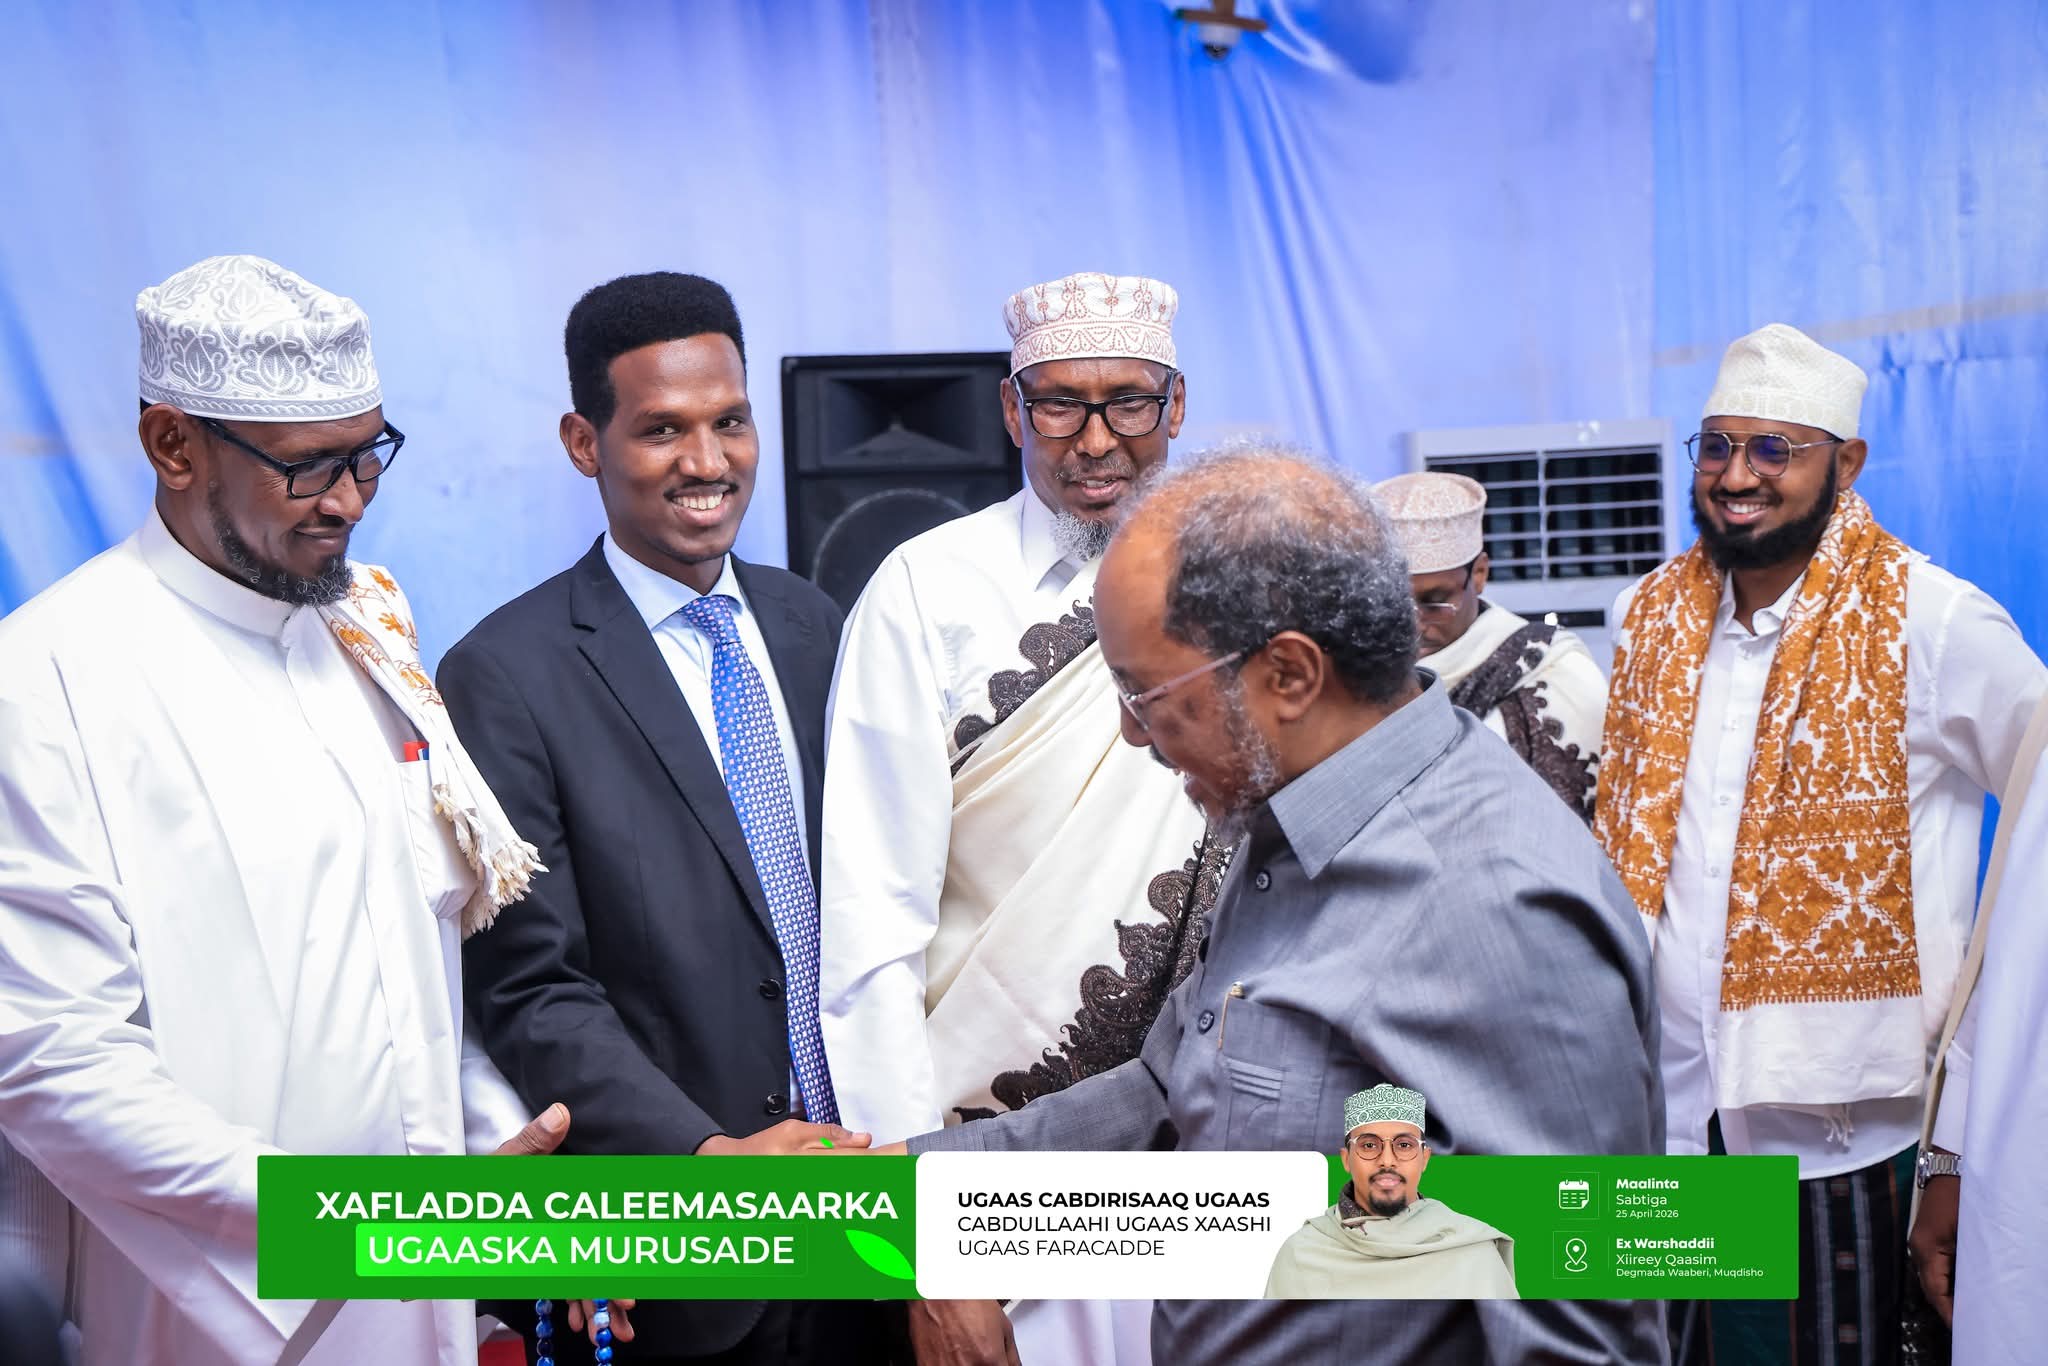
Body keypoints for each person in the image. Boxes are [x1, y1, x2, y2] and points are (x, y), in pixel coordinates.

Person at [891, 443, 1666, 1365]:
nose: (1130, 733)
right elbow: (1168, 1091)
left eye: (1144, 694)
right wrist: (895, 1188)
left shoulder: (1499, 907)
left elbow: (1579, 1340)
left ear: (1290, 676)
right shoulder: (1285, 821)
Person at [0, 254, 572, 1366]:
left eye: (369, 454)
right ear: (174, 445)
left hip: (426, 1286)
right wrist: (363, 1227)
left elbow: (419, 987)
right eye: (308, 467)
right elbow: (54, 1062)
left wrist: (505, 1179)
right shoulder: (46, 678)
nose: (349, 499)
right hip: (214, 1308)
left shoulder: (364, 634)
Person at [439, 272, 880, 1366]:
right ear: (582, 443)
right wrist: (704, 1157)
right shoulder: (504, 673)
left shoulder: (813, 622)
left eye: (730, 421)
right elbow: (530, 986)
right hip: (677, 1256)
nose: (708, 460)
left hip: (862, 1215)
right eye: (662, 429)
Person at [1595, 323, 2047, 1365]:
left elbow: (2037, 841)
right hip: (1666, 1124)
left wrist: (1965, 1130)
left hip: (1843, 1145)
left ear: (1845, 464)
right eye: (1715, 446)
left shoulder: (1930, 620)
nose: (1735, 477)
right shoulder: (1645, 617)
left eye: (1773, 449)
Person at [817, 272, 1218, 1364]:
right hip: (992, 1175)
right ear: (1010, 409)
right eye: (1058, 405)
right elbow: (870, 934)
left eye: (1128, 402)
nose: (1095, 440)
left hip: (1214, 1165)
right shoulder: (924, 590)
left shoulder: (1240, 583)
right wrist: (926, 1249)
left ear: (1177, 403)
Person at [1909, 708, 2048, 1365]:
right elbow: (2021, 928)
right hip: (1665, 1145)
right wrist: (1951, 1153)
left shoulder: (1933, 646)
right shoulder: (1642, 651)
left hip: (1853, 1141)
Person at [1374, 471, 1607, 819]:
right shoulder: (1356, 673)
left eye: (1435, 602)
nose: (1414, 623)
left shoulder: (1558, 672)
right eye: (1393, 603)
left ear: (1479, 573)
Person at [1265, 1085, 1517, 1300]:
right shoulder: (1303, 1252)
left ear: (1424, 1159)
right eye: (1369, 1145)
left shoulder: (1472, 1254)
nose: (1387, 1160)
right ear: (1346, 1159)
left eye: (1404, 1145)